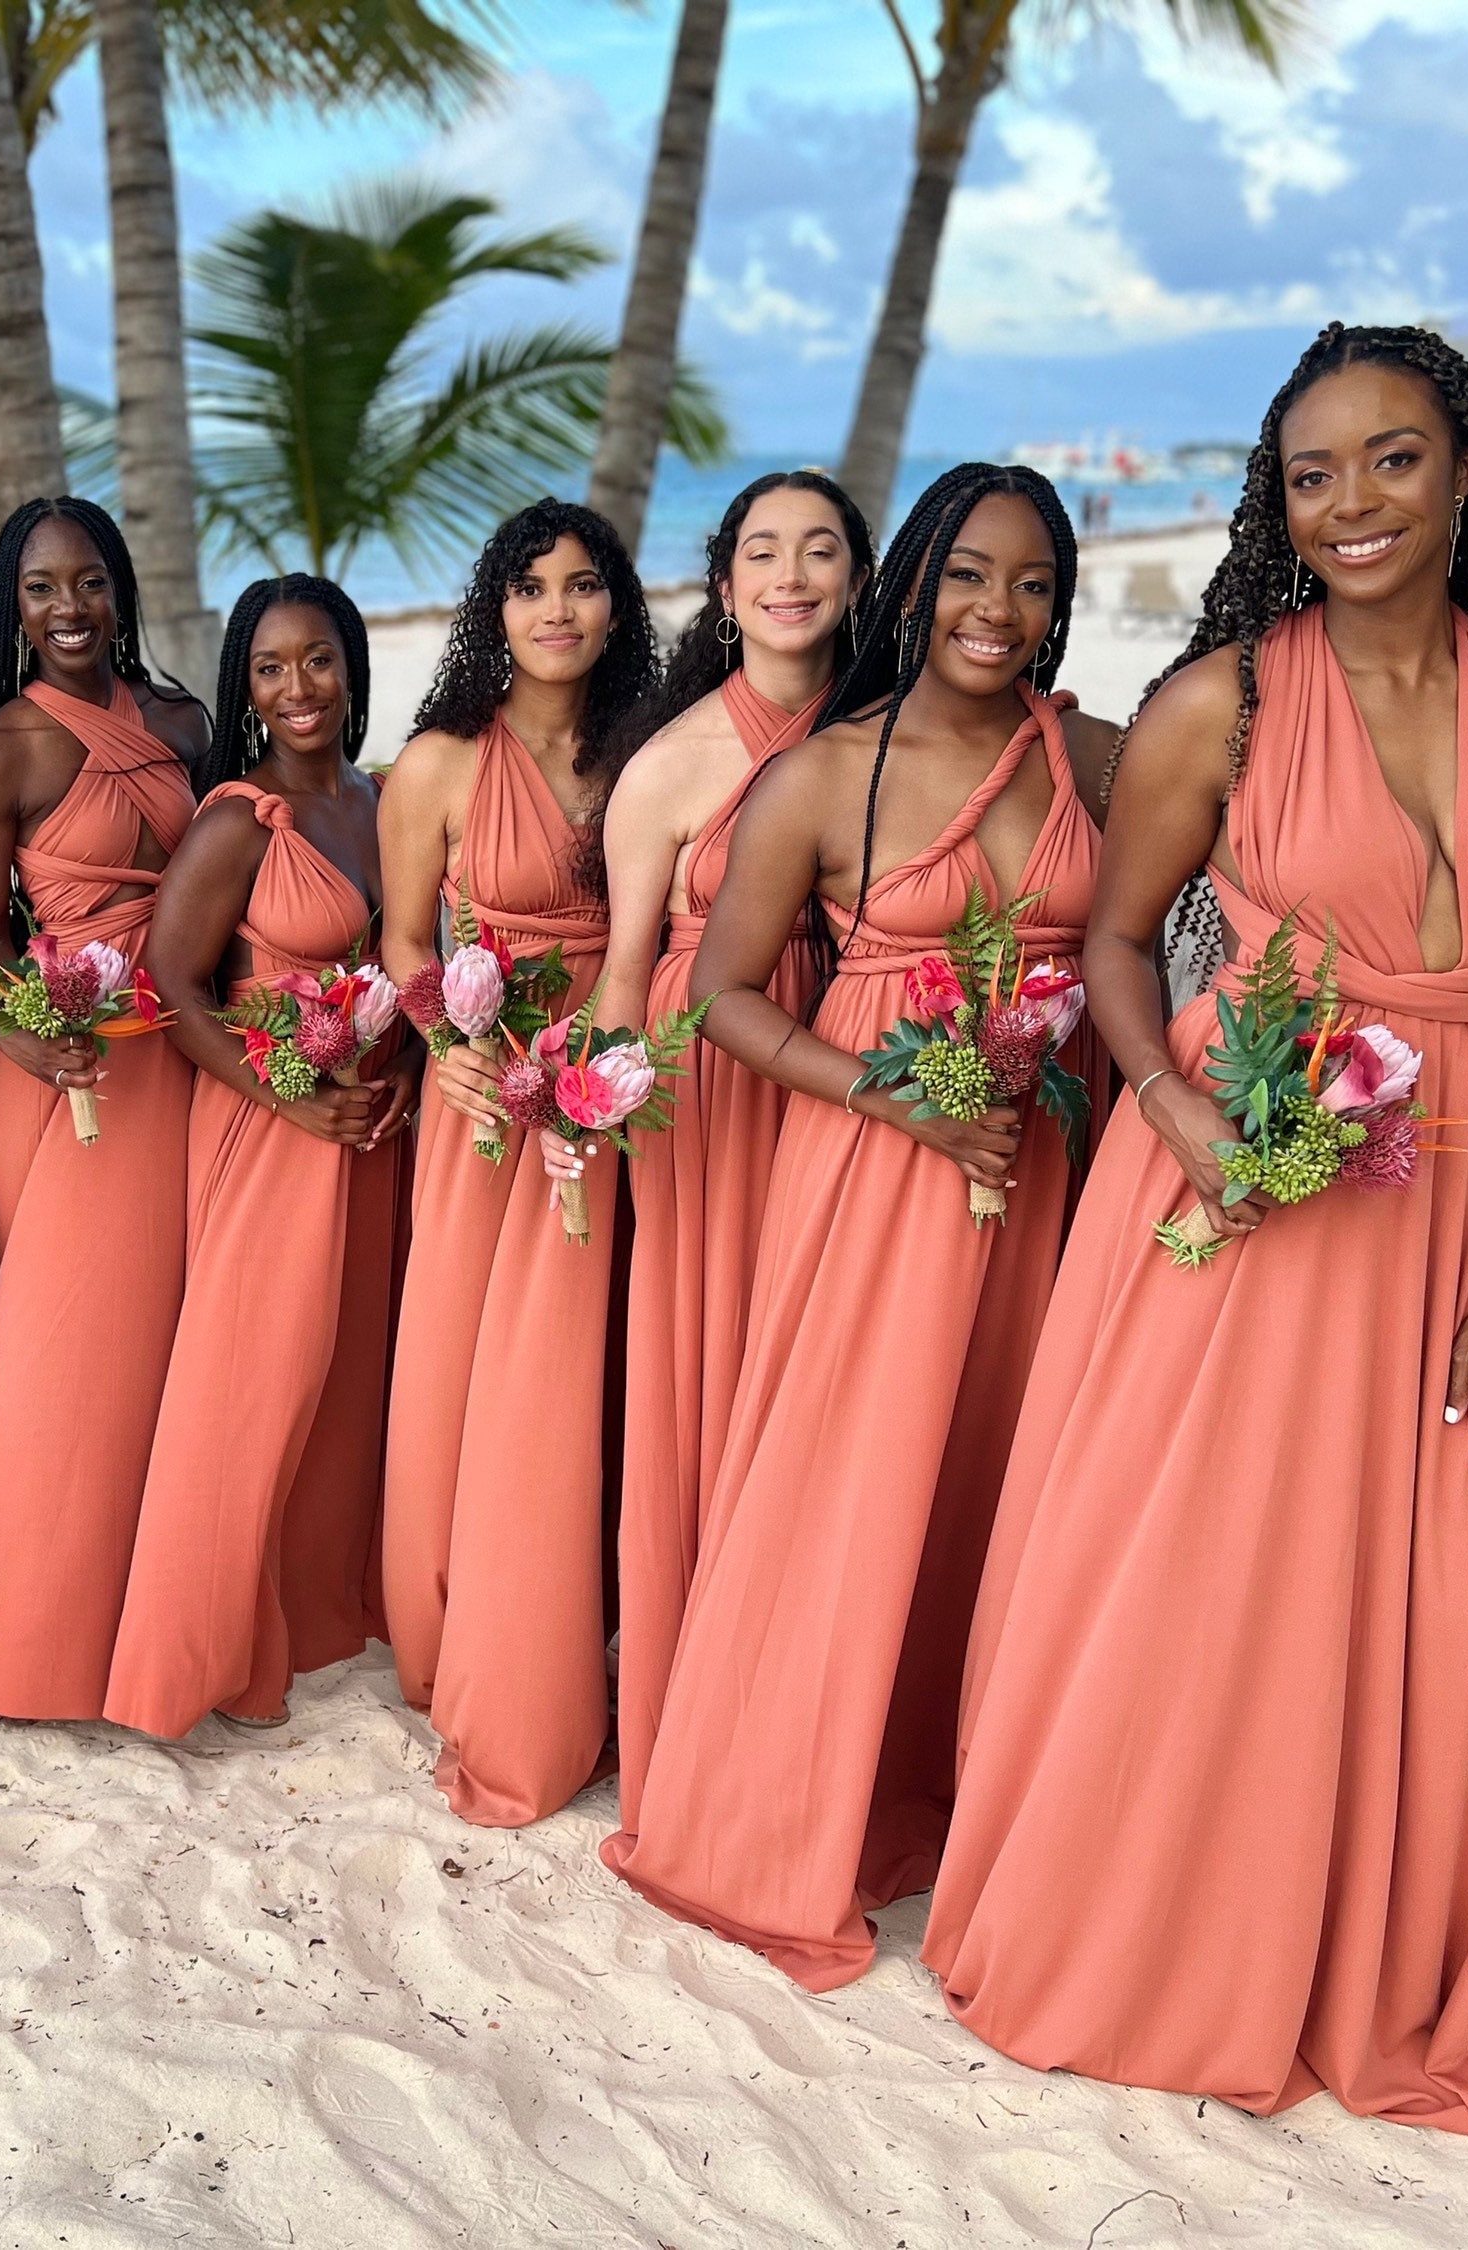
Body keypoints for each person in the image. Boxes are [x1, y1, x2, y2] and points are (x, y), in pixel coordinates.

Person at [920, 325, 1468, 2193]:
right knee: (1214, 1578)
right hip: (1258, 1189)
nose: (1354, 502)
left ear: (1467, 469)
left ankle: (1367, 1960)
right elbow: (1120, 947)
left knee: (1438, 1592)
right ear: (1276, 503)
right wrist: (1181, 1106)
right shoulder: (1219, 703)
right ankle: (1160, 1939)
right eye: (1314, 473)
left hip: (1460, 1202)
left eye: (1393, 460)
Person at [601, 465, 1115, 1988]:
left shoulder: (1092, 750)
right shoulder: (824, 775)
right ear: (912, 584)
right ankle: (766, 1821)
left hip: (1032, 1165)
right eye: (967, 575)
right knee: (843, 1485)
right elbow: (722, 996)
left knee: (985, 1480)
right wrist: (890, 1097)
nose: (996, 610)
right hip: (875, 1164)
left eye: (1030, 583)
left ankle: (926, 1798)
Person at [578, 468, 872, 1828]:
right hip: (709, 1101)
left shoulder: (891, 734)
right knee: (710, 1381)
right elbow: (624, 975)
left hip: (864, 1078)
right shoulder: (673, 761)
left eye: (821, 550)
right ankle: (693, 1710)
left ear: (861, 578)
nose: (793, 574)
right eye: (765, 550)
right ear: (726, 578)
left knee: (831, 1389)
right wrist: (594, 1115)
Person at [376, 498, 658, 1826]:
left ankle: (573, 1631)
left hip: (614, 1089)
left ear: (619, 607)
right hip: (486, 1097)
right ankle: (454, 1639)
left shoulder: (648, 755)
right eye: (532, 585)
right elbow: (403, 948)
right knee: (464, 1362)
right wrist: (445, 1044)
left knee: (584, 1374)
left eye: (584, 585)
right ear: (495, 608)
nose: (559, 609)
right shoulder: (435, 764)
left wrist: (610, 1059)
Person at [104, 578, 416, 1737]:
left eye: (320, 661)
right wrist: (290, 1097)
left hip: (365, 1125)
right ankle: (193, 1657)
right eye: (273, 668)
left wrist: (395, 1084)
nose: (300, 689)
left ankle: (304, 1609)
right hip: (267, 1125)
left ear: (353, 668)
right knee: (249, 1382)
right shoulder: (239, 818)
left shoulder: (379, 802)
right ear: (245, 684)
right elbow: (173, 989)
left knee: (341, 1381)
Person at [0, 498, 209, 1721]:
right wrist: (21, 1029)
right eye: (42, 588)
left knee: (161, 1351)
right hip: (66, 1071)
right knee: (61, 1359)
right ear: (11, 606)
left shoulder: (183, 723)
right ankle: (40, 1658)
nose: (69, 609)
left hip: (179, 1056)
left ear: (122, 589)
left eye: (90, 582)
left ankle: (146, 1622)